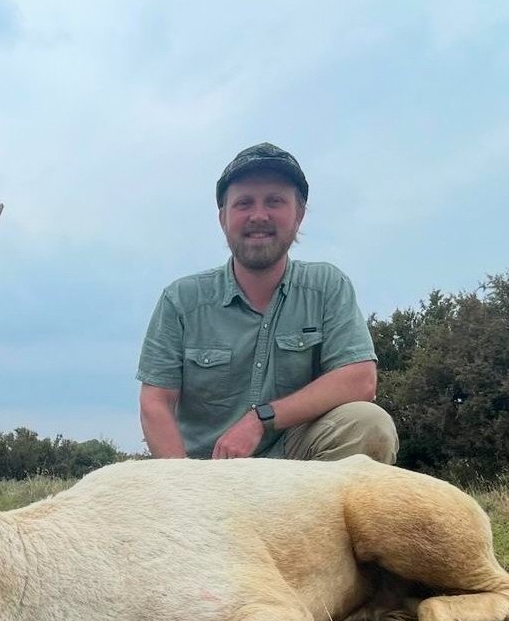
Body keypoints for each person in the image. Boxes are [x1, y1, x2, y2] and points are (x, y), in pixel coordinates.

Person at [137, 143, 398, 463]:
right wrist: (184, 486)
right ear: (223, 218)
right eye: (244, 203)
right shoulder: (180, 300)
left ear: (298, 214)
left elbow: (360, 379)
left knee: (369, 425)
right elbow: (155, 402)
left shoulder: (328, 286)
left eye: (274, 201)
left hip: (299, 470)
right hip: (207, 478)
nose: (258, 215)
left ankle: (319, 515)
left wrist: (261, 418)